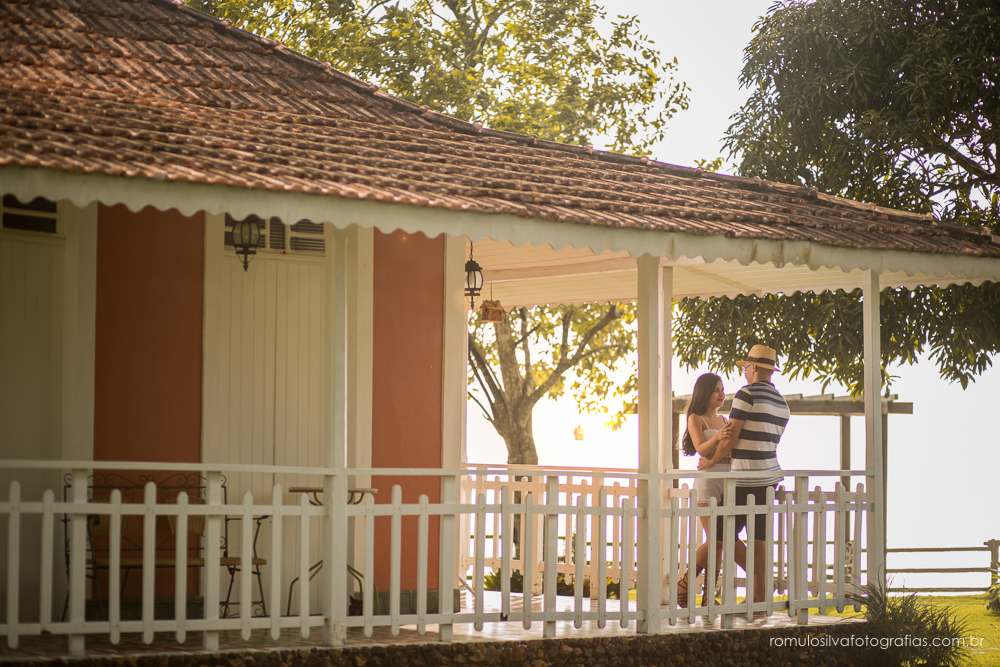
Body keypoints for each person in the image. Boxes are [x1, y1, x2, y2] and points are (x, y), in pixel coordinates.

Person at [698, 344, 789, 608]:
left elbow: (730, 436)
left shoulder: (746, 394)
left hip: (744, 478)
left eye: (746, 367)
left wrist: (713, 459)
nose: (745, 372)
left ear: (755, 368)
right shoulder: (782, 402)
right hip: (769, 477)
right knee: (759, 539)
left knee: (720, 534)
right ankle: (760, 601)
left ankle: (685, 583)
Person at [676, 373, 733, 607]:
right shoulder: (695, 417)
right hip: (708, 480)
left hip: (728, 479)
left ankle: (709, 596)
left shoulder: (725, 418)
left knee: (720, 540)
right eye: (716, 390)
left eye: (722, 390)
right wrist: (719, 435)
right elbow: (701, 448)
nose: (722, 395)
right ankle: (687, 583)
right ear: (705, 392)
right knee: (716, 541)